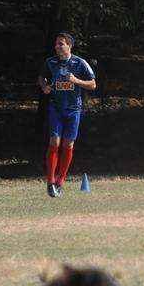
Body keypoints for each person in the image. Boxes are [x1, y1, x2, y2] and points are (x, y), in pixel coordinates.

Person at [39, 32, 96, 197]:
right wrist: (44, 86)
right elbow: (42, 77)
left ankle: (60, 182)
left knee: (68, 145)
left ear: (69, 46)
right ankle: (50, 182)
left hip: (73, 109)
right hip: (56, 108)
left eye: (61, 43)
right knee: (54, 142)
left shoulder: (80, 63)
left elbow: (93, 84)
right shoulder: (50, 62)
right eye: (56, 44)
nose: (57, 46)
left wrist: (76, 81)